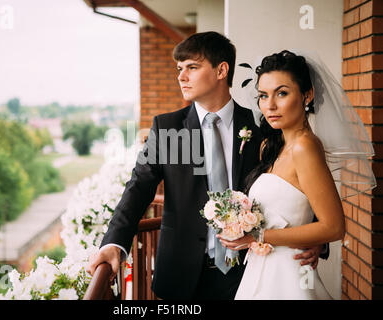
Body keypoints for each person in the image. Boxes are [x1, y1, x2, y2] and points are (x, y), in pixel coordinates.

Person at [87, 33, 325, 300]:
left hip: (250, 272)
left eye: (192, 67)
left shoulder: (262, 126)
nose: (181, 76)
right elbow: (137, 188)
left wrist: (315, 236)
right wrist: (114, 243)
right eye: (180, 68)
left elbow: (295, 181)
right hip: (181, 276)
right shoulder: (166, 128)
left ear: (221, 70)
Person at [219, 50, 375, 299]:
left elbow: (334, 227)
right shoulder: (271, 146)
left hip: (289, 274)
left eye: (282, 93)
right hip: (263, 267)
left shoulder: (305, 147)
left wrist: (257, 235)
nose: (269, 105)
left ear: (307, 95)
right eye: (263, 96)